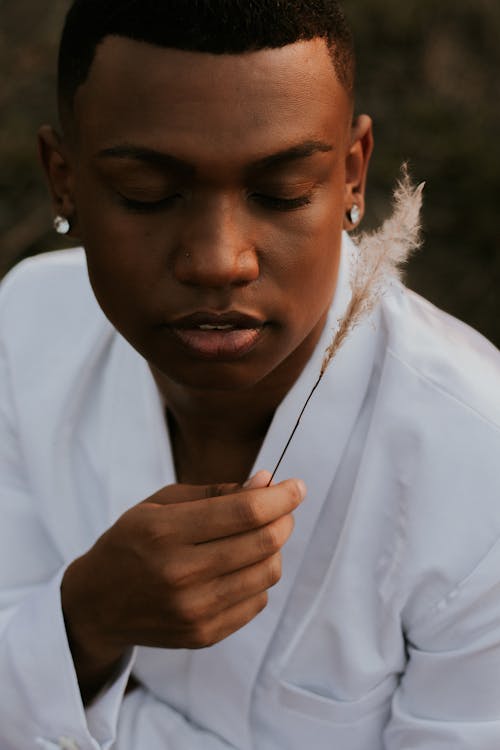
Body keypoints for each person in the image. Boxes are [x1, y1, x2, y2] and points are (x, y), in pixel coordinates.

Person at [1, 1, 500, 748]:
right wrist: (87, 619)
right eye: (148, 193)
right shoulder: (27, 323)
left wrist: (51, 676)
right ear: (63, 179)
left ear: (353, 176)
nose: (218, 260)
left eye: (281, 193)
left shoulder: (479, 462)